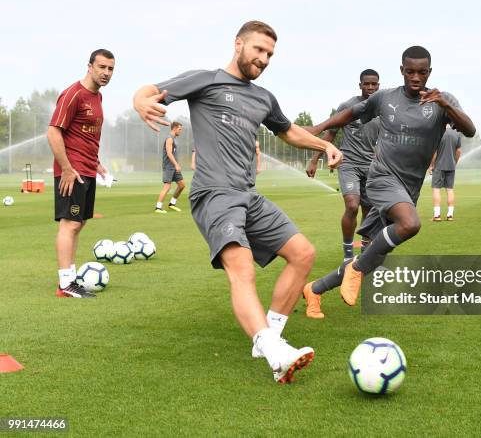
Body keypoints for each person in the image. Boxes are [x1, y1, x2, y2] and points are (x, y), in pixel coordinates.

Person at [133, 21, 342, 383]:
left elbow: (288, 130)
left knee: (303, 254)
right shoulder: (207, 80)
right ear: (238, 44)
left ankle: (269, 340)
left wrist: (324, 145)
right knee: (241, 268)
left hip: (249, 196)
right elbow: (153, 89)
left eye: (270, 54)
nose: (263, 59)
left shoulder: (263, 98)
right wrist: (140, 99)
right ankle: (276, 353)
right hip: (214, 194)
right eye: (258, 50)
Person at [303, 46, 475, 318]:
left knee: (373, 256)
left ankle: (314, 289)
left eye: (421, 72)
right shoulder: (385, 98)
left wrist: (445, 105)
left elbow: (469, 129)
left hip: (409, 189)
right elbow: (350, 113)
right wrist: (317, 129)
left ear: (429, 72)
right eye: (410, 71)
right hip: (382, 178)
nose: (415, 77)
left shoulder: (442, 101)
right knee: (410, 224)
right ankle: (356, 270)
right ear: (401, 71)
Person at [47, 49, 115, 298]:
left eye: (110, 69)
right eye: (102, 67)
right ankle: (65, 283)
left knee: (80, 223)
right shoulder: (73, 94)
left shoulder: (98, 97)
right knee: (70, 224)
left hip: (87, 170)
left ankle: (71, 279)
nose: (106, 73)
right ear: (89, 67)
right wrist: (66, 168)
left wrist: (97, 164)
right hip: (72, 171)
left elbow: (85, 136)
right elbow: (53, 132)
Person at [305, 69, 381, 261]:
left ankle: (365, 254)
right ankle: (348, 255)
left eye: (374, 84)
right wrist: (314, 159)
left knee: (370, 210)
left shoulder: (383, 108)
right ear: (360, 85)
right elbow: (329, 134)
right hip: (349, 163)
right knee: (352, 206)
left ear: (379, 85)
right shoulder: (348, 106)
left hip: (372, 166)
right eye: (367, 84)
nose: (370, 87)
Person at [428, 126, 462, 221]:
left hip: (439, 166)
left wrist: (431, 165)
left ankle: (437, 216)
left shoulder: (438, 133)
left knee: (436, 190)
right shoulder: (456, 133)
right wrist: (454, 162)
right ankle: (450, 215)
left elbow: (435, 152)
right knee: (450, 190)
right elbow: (459, 151)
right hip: (451, 166)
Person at [155, 121, 186, 213]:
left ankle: (172, 204)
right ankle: (158, 207)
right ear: (174, 128)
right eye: (180, 129)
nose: (180, 131)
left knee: (181, 185)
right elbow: (169, 153)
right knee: (167, 187)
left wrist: (176, 164)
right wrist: (176, 164)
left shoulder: (174, 138)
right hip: (169, 166)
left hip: (174, 166)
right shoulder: (169, 139)